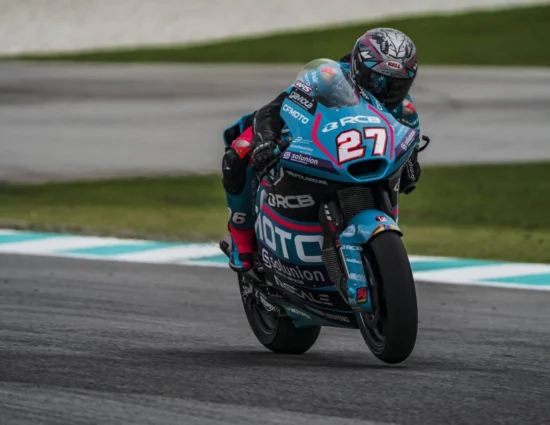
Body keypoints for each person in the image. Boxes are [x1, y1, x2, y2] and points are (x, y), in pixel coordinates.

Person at [221, 27, 422, 272]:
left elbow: (410, 162)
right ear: (358, 68)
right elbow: (274, 109)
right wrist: (266, 139)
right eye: (379, 81)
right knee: (240, 152)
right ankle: (241, 238)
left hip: (356, 160)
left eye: (398, 85)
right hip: (299, 133)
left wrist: (411, 163)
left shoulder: (405, 109)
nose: (386, 92)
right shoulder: (328, 77)